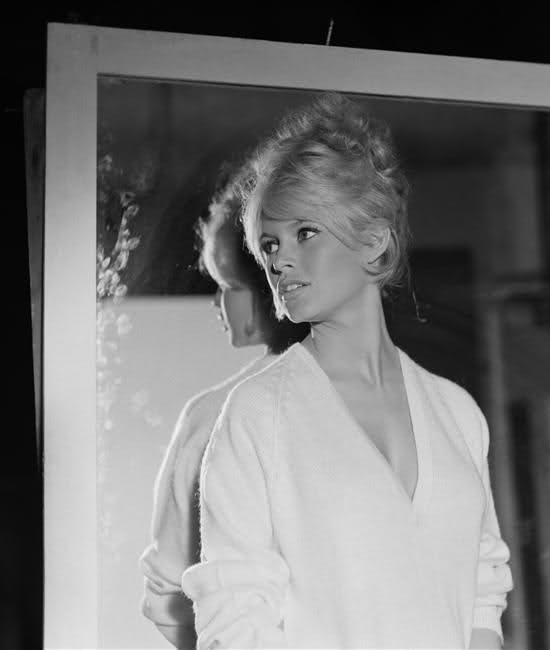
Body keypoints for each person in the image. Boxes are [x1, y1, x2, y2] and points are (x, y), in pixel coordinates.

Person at [182, 93, 513, 649]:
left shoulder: (458, 414)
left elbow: (483, 590)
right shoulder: (258, 415)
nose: (280, 259)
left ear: (374, 241)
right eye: (270, 243)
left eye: (305, 232)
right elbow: (234, 621)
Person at [138, 165, 309, 649]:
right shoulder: (383, 397)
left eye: (227, 285)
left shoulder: (213, 415)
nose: (218, 304)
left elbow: (165, 593)